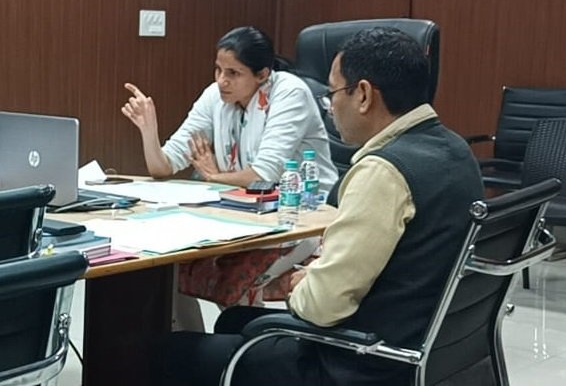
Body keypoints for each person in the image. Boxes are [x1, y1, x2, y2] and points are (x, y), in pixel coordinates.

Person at [161, 27, 484, 385]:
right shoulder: (456, 150)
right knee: (233, 321)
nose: (330, 109)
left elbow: (322, 306)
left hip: (358, 363)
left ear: (363, 95)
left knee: (165, 353)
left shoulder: (384, 172)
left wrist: (302, 283)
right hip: (429, 350)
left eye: (332, 94)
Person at [121, 26, 338, 327]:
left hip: (302, 219)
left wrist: (213, 176)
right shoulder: (215, 96)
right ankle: (186, 345)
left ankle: (244, 345)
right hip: (238, 216)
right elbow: (163, 167)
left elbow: (263, 175)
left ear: (262, 75)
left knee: (237, 277)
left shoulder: (289, 93)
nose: (221, 80)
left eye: (233, 73)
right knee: (169, 265)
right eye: (218, 70)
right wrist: (149, 130)